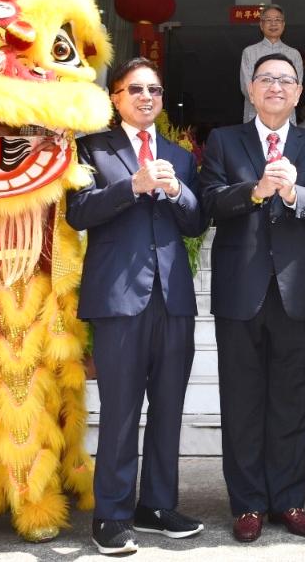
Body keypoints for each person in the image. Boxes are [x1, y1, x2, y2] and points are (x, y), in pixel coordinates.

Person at [67, 56, 207, 556]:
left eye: (155, 89)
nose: (147, 97)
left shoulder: (180, 155)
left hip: (173, 300)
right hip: (118, 299)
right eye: (136, 89)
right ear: (116, 97)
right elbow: (78, 213)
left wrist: (176, 191)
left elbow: (196, 222)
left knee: (169, 408)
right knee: (122, 411)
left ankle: (158, 505)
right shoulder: (90, 149)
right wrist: (133, 186)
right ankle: (112, 514)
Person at [198, 52, 305, 543]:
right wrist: (254, 192)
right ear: (251, 91)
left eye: (286, 80)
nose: (276, 87)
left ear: (298, 94)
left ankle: (289, 499)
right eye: (266, 80)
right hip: (241, 291)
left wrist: (298, 195)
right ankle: (248, 504)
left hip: (298, 291)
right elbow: (208, 200)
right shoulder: (223, 139)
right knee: (241, 400)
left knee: (294, 399)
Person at [239, 4, 304, 123]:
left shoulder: (294, 54)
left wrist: (278, 105)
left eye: (277, 20)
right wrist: (267, 106)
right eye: (268, 20)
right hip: (256, 115)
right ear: (261, 25)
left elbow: (295, 87)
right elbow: (246, 87)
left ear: (283, 25)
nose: (273, 24)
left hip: (285, 117)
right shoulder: (249, 52)